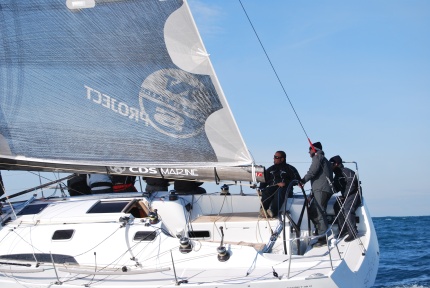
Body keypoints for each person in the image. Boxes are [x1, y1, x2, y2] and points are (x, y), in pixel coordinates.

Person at [300, 142, 333, 247]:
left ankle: (323, 237)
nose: (308, 152)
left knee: (319, 212)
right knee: (312, 211)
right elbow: (318, 178)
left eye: (309, 150)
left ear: (313, 149)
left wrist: (302, 181)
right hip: (320, 190)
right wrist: (311, 195)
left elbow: (312, 172)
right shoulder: (324, 159)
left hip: (322, 190)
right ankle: (320, 232)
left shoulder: (317, 157)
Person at [259, 151, 301, 218]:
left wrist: (285, 183)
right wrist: (260, 189)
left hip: (285, 189)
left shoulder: (290, 169)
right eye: (274, 157)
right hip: (273, 187)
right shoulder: (270, 169)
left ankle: (272, 211)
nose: (274, 159)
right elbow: (263, 182)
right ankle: (263, 210)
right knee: (267, 190)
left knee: (280, 192)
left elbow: (297, 180)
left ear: (282, 159)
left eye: (276, 157)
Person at [329, 155, 361, 242]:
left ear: (336, 164)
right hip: (346, 195)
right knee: (336, 206)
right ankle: (343, 230)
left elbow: (352, 183)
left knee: (348, 209)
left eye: (331, 164)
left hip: (354, 194)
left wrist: (345, 195)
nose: (330, 166)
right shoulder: (337, 175)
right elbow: (336, 188)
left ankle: (353, 232)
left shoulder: (346, 171)